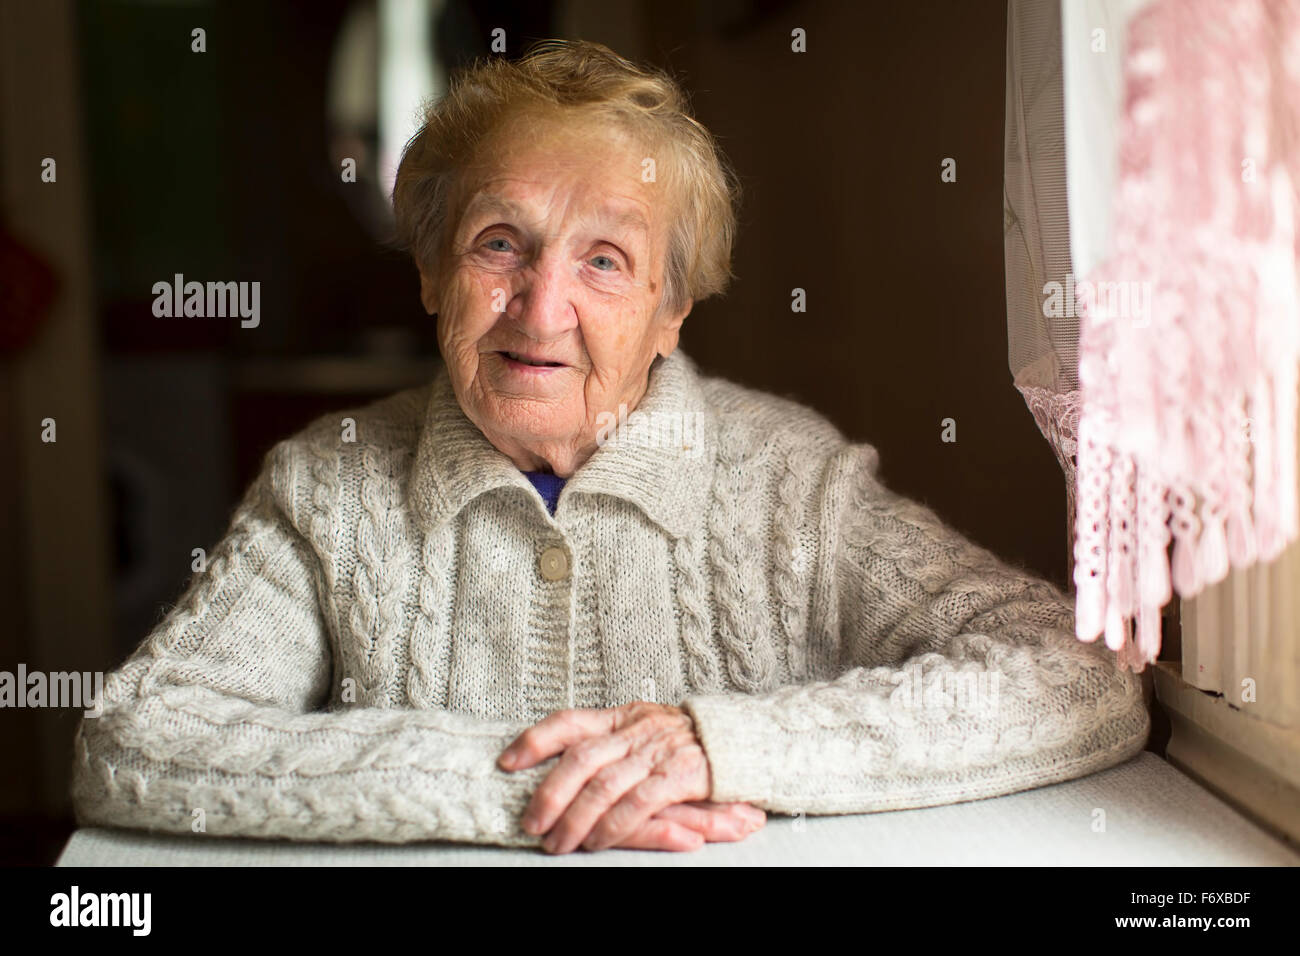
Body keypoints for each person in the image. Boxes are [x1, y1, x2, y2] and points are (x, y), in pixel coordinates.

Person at [71, 39, 1149, 854]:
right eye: (500, 244)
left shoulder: (786, 485)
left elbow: (1080, 675)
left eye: (604, 262)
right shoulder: (329, 488)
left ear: (672, 308)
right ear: (432, 273)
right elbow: (141, 735)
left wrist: (720, 747)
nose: (541, 311)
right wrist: (533, 787)